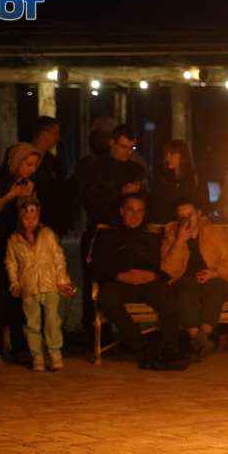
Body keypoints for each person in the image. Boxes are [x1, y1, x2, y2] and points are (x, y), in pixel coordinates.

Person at [92, 193, 188, 371]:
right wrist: (120, 275)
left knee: (169, 296)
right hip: (119, 282)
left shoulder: (152, 238)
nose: (135, 216)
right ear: (121, 211)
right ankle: (144, 348)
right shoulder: (107, 236)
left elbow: (165, 269)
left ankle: (169, 350)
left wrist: (154, 276)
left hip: (148, 282)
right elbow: (96, 268)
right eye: (130, 210)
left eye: (140, 211)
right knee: (106, 297)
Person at [81, 124, 147, 341]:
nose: (127, 152)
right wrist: (121, 193)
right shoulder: (94, 169)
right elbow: (89, 202)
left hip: (126, 235)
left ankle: (127, 333)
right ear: (112, 143)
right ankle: (96, 337)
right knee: (95, 282)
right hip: (100, 232)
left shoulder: (135, 170)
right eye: (123, 147)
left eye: (131, 147)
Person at [0, 142, 40, 361]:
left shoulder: (28, 184)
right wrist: (9, 196)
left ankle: (19, 344)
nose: (31, 169)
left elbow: (29, 215)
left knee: (17, 295)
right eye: (28, 163)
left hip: (16, 247)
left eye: (34, 165)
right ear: (16, 161)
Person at [161, 198, 228, 359]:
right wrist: (179, 242)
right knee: (185, 291)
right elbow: (168, 270)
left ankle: (199, 340)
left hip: (214, 277)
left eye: (190, 215)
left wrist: (215, 272)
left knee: (216, 289)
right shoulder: (171, 236)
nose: (187, 220)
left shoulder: (214, 233)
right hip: (186, 280)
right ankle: (202, 339)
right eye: (182, 216)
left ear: (198, 214)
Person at [5, 197, 73, 371]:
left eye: (34, 218)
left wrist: (62, 281)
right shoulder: (14, 240)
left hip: (49, 285)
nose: (30, 222)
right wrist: (14, 283)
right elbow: (11, 263)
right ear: (20, 218)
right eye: (26, 218)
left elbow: (58, 259)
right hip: (29, 287)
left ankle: (55, 353)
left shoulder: (47, 235)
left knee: (52, 321)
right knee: (32, 323)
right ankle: (37, 356)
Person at [30, 116, 72, 238]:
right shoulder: (25, 160)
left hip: (53, 225)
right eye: (55, 133)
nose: (58, 138)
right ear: (43, 133)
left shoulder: (53, 162)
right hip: (32, 223)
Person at [151, 139, 210, 224]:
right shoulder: (162, 179)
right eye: (166, 154)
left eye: (171, 153)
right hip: (167, 228)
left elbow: (204, 206)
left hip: (190, 227)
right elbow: (156, 205)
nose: (167, 158)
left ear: (182, 155)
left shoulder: (197, 179)